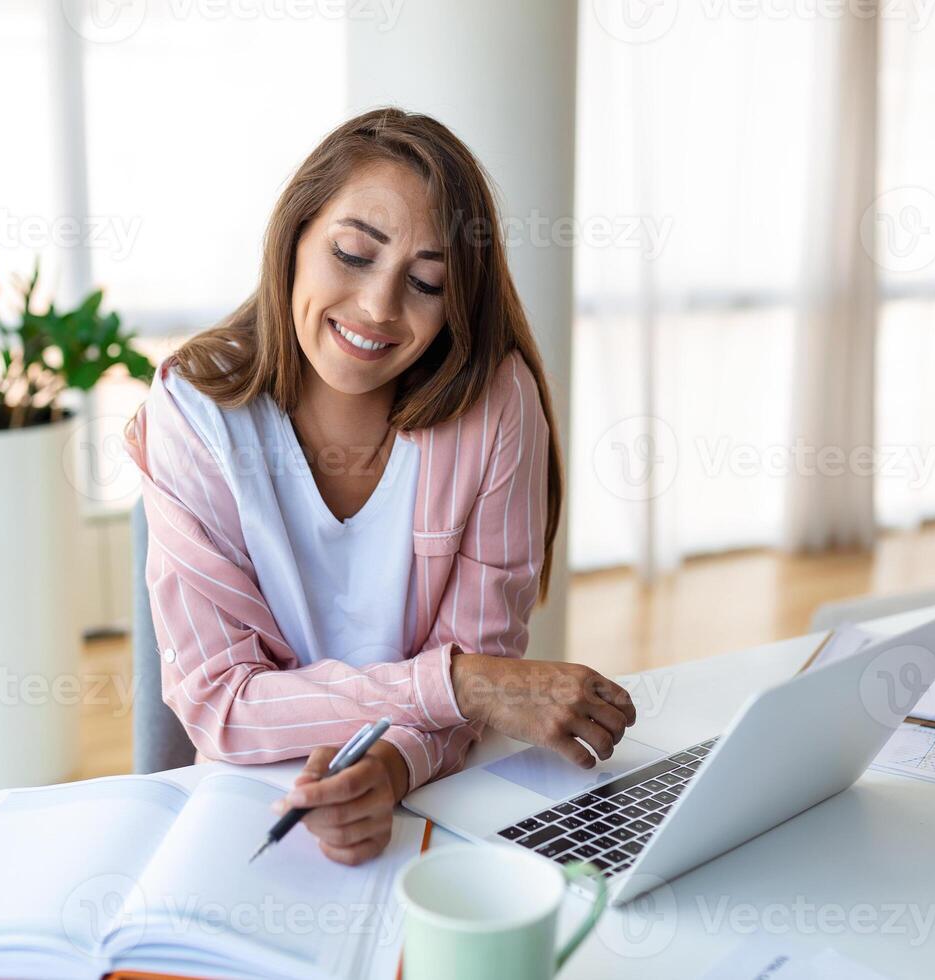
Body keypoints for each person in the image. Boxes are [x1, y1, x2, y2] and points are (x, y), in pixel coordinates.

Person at [124, 107, 635, 865]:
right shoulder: (194, 419)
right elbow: (222, 705)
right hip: (247, 814)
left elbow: (482, 662)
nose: (378, 309)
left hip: (433, 793)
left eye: (426, 283)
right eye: (354, 253)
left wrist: (392, 765)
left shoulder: (495, 406)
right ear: (294, 233)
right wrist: (463, 686)